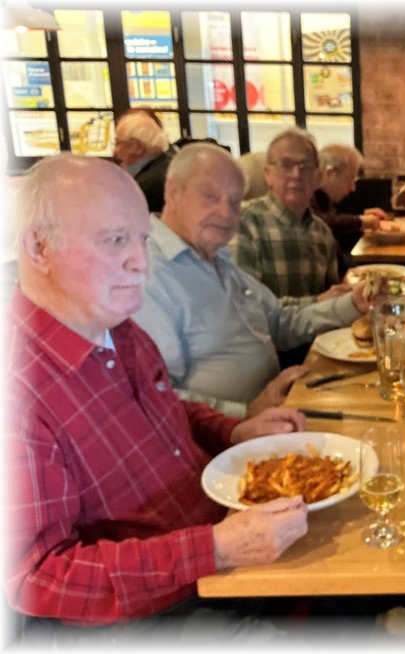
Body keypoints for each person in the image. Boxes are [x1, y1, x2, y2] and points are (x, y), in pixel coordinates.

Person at [5, 154, 310, 635]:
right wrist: (214, 549)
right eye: (115, 240)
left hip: (217, 541)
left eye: (142, 240)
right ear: (38, 247)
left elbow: (165, 410)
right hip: (149, 614)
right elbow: (37, 579)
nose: (141, 263)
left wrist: (234, 431)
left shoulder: (117, 327)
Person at [134, 143, 378, 419]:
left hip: (278, 408)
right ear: (172, 192)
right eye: (210, 196)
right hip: (229, 434)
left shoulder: (218, 258)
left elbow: (280, 322)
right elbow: (154, 393)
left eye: (234, 202)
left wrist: (354, 303)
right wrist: (247, 412)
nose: (225, 213)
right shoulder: (147, 274)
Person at [235, 128, 347, 307]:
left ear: (317, 178)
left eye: (305, 166)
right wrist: (317, 303)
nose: (296, 174)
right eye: (285, 165)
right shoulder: (243, 222)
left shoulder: (322, 233)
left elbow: (332, 306)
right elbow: (243, 305)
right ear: (268, 174)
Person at [310, 143, 387, 274]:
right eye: (350, 179)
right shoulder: (306, 197)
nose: (352, 188)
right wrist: (360, 221)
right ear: (330, 174)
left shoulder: (322, 197)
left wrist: (362, 215)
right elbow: (321, 224)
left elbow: (333, 220)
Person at [113, 110, 175, 214]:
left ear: (138, 147)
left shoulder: (145, 186)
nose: (115, 151)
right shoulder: (166, 164)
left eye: (118, 143)